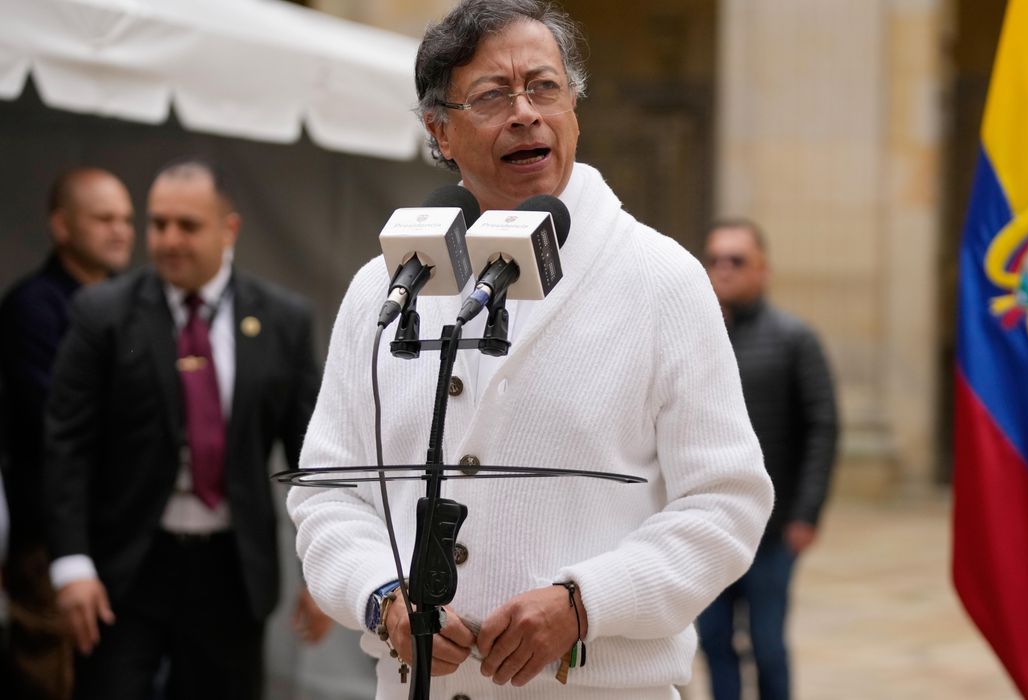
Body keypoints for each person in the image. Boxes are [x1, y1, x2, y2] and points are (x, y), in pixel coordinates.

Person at [287, 1, 775, 698]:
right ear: (439, 130)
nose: (525, 113)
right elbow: (328, 494)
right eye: (492, 96)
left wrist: (585, 602)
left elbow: (726, 503)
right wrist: (381, 595)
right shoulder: (382, 290)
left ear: (573, 109)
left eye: (544, 87)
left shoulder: (662, 280)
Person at [43, 158, 322, 700]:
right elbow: (65, 444)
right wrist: (71, 565)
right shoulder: (103, 313)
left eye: (187, 225)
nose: (169, 239)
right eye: (158, 223)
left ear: (229, 229)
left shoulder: (282, 319)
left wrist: (322, 571)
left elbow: (310, 456)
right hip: (126, 566)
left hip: (231, 570)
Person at [0, 167, 135, 700]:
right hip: (51, 541)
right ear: (62, 226)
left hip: (121, 536)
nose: (120, 230)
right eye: (104, 219)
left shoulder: (132, 305)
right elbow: (58, 424)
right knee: (51, 678)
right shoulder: (33, 307)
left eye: (126, 219)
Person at [696, 220, 840, 700]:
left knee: (768, 644)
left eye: (737, 260)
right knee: (713, 641)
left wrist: (807, 513)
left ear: (763, 269)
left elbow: (822, 427)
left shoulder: (795, 338)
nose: (723, 269)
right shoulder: (698, 338)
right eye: (714, 260)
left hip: (772, 531)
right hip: (708, 527)